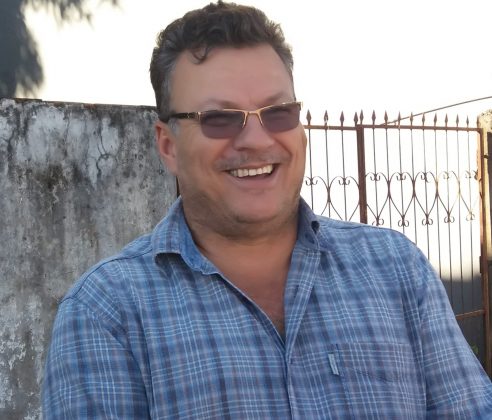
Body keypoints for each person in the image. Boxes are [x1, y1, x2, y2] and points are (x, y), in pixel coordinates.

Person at [42, 1, 492, 418]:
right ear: (168, 145)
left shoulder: (395, 269)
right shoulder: (108, 314)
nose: (257, 140)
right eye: (220, 118)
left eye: (278, 112)